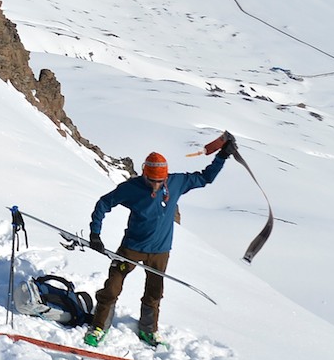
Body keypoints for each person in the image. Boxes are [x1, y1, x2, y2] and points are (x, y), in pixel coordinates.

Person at [84, 135, 235, 347]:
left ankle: (148, 330)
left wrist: (222, 156)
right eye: (151, 180)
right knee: (112, 288)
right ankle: (99, 326)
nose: (155, 185)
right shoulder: (131, 188)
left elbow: (205, 178)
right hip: (131, 248)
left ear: (165, 176)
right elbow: (103, 204)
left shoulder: (177, 183)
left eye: (159, 181)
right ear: (144, 174)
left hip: (161, 252)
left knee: (154, 293)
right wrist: (95, 234)